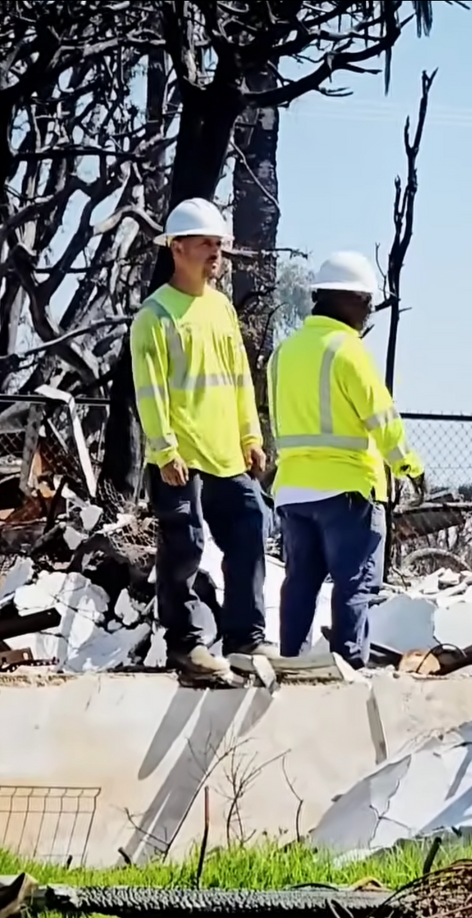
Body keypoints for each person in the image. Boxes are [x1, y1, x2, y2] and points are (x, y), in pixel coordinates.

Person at [130, 197, 272, 679]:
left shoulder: (222, 310)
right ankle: (185, 645)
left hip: (227, 454)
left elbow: (239, 378)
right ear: (177, 248)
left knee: (251, 525)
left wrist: (250, 437)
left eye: (219, 244)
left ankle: (245, 639)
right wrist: (164, 449)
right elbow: (149, 390)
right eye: (206, 244)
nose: (216, 253)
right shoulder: (155, 315)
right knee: (184, 546)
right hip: (181, 457)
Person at [268, 252, 424, 669]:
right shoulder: (350, 351)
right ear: (350, 299)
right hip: (348, 491)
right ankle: (349, 666)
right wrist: (409, 466)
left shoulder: (283, 353)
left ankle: (291, 662)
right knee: (354, 584)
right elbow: (382, 420)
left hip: (294, 491)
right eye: (367, 302)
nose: (369, 311)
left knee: (300, 582)